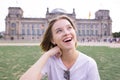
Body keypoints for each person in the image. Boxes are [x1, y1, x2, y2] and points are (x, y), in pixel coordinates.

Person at [20, 15, 100, 80]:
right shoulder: (51, 60)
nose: (66, 33)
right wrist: (47, 54)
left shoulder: (89, 64)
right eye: (59, 31)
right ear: (53, 40)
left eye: (69, 28)